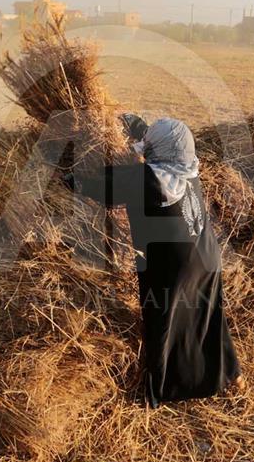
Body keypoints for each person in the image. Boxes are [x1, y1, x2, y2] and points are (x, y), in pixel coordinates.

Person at [66, 118, 241, 407]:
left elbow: (104, 186)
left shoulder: (151, 179)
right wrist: (135, 124)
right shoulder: (187, 168)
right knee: (209, 318)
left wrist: (75, 181)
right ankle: (230, 375)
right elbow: (160, 149)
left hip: (175, 266)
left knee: (163, 323)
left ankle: (163, 390)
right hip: (206, 255)